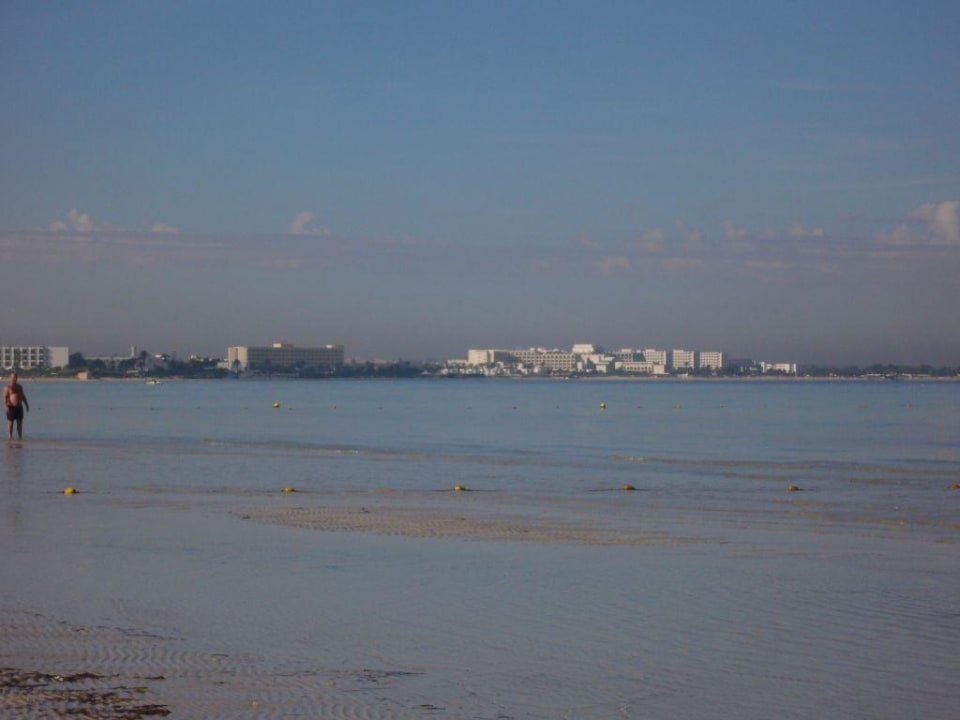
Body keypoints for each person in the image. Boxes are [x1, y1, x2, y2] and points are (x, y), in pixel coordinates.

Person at [3, 372, 30, 440]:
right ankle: (10, 437)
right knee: (10, 423)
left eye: (15, 377)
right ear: (10, 378)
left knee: (20, 423)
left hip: (19, 407)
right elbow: (5, 398)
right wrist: (6, 406)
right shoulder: (7, 387)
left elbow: (23, 396)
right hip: (11, 407)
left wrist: (26, 405)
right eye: (13, 377)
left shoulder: (19, 387)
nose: (14, 378)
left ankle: (20, 437)